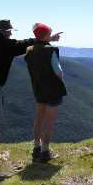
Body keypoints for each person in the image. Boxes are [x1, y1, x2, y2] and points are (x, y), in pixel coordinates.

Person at [0, 19, 61, 166]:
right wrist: (48, 38)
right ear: (4, 31)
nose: (11, 34)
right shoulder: (8, 45)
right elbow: (26, 43)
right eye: (10, 31)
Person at [25, 23, 67, 163]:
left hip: (38, 88)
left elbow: (39, 46)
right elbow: (59, 71)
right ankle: (45, 151)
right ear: (46, 35)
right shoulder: (51, 50)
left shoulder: (29, 50)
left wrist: (49, 39)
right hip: (53, 90)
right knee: (49, 122)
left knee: (39, 119)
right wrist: (60, 82)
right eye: (49, 33)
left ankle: (36, 148)